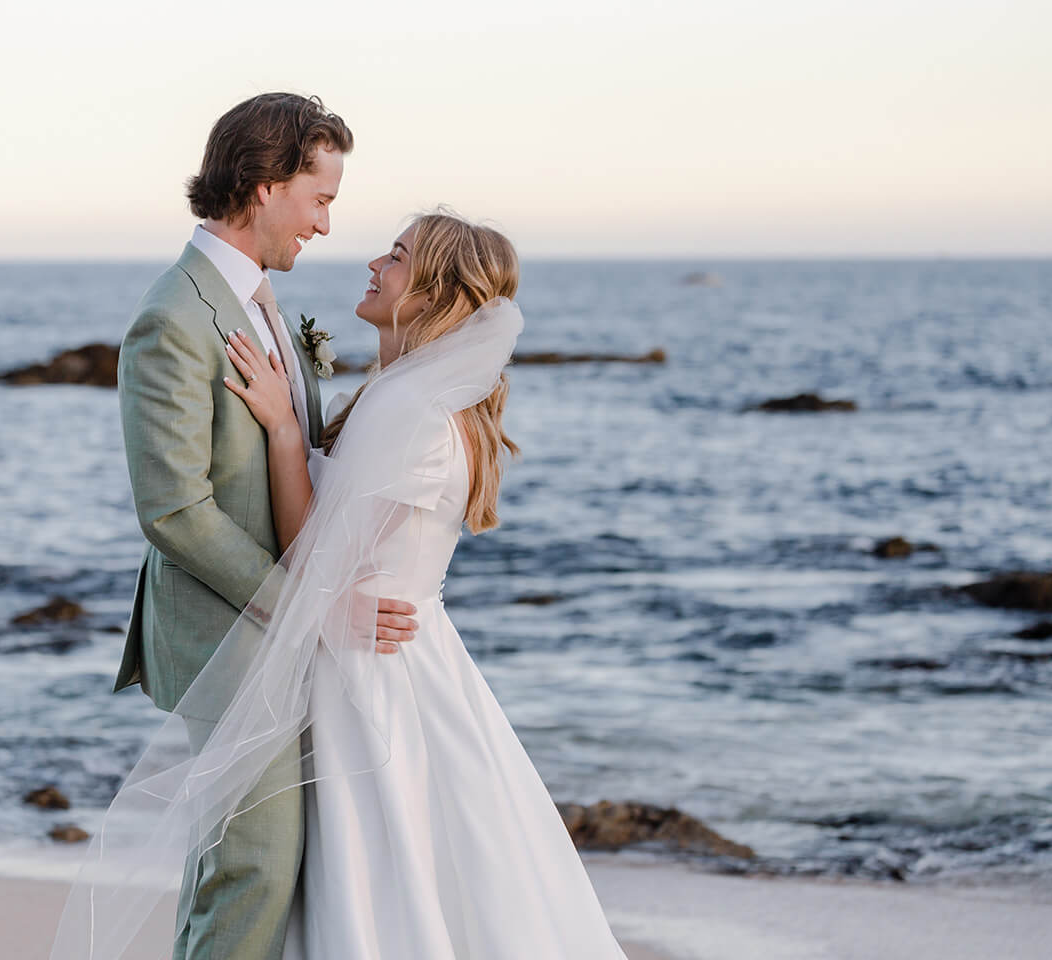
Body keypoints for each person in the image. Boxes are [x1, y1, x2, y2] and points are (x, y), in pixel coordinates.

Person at [49, 210, 626, 959]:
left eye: (398, 256)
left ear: (430, 294)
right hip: (386, 654)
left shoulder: (410, 410)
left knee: (370, 873)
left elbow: (316, 551)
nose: (374, 264)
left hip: (367, 668)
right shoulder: (411, 398)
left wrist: (287, 430)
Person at [98, 92, 420, 960]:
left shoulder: (260, 301)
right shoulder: (173, 318)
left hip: (282, 628)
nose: (323, 226)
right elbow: (173, 512)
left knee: (242, 872)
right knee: (256, 870)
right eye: (320, 199)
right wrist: (310, 607)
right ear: (265, 185)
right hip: (231, 639)